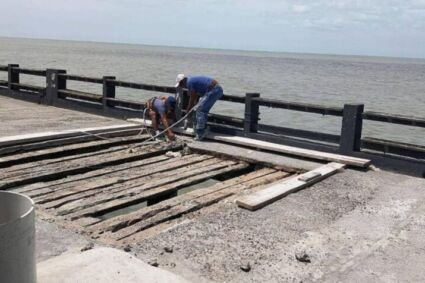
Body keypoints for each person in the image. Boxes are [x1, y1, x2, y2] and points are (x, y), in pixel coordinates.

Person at [175, 74, 223, 141]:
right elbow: (196, 95)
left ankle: (200, 133)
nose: (182, 87)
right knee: (199, 109)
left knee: (201, 110)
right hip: (214, 89)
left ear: (182, 81)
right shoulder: (191, 80)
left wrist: (188, 109)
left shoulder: (189, 82)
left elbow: (192, 97)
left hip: (214, 90)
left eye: (181, 85)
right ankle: (201, 129)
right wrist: (194, 105)